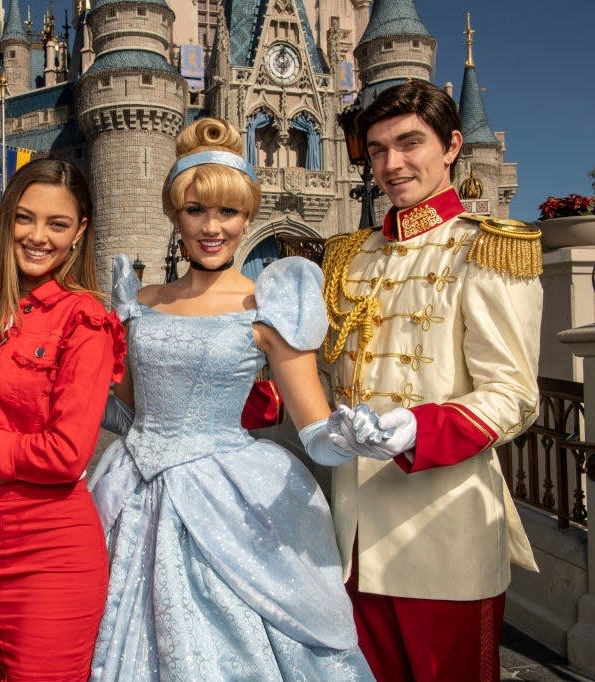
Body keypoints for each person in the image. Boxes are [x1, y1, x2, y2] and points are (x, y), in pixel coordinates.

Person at [89, 117, 373, 680]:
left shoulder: (267, 304)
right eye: (196, 211)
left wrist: (356, 434)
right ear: (175, 216)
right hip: (128, 486)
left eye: (228, 213)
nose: (211, 227)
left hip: (227, 498)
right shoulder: (139, 301)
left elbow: (314, 427)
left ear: (248, 218)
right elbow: (123, 413)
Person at [322, 80, 542, 682]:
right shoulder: (348, 255)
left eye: (409, 143)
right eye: (377, 149)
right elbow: (319, 371)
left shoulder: (485, 248)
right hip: (353, 541)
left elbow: (514, 396)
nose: (392, 164)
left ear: (451, 146)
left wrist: (419, 428)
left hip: (443, 536)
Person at [0, 158, 124, 681]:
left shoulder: (85, 320)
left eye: (57, 224)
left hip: (50, 547)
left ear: (80, 232)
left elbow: (65, 455)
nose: (38, 236)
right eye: (24, 218)